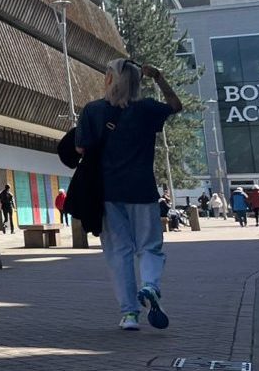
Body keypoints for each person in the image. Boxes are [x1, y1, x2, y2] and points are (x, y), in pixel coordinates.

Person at [75, 59, 181, 331]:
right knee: (149, 246)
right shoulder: (147, 109)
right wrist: (158, 77)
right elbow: (176, 105)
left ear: (110, 79)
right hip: (142, 189)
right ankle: (149, 285)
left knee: (118, 252)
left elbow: (81, 150)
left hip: (108, 192)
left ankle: (129, 314)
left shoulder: (93, 111)